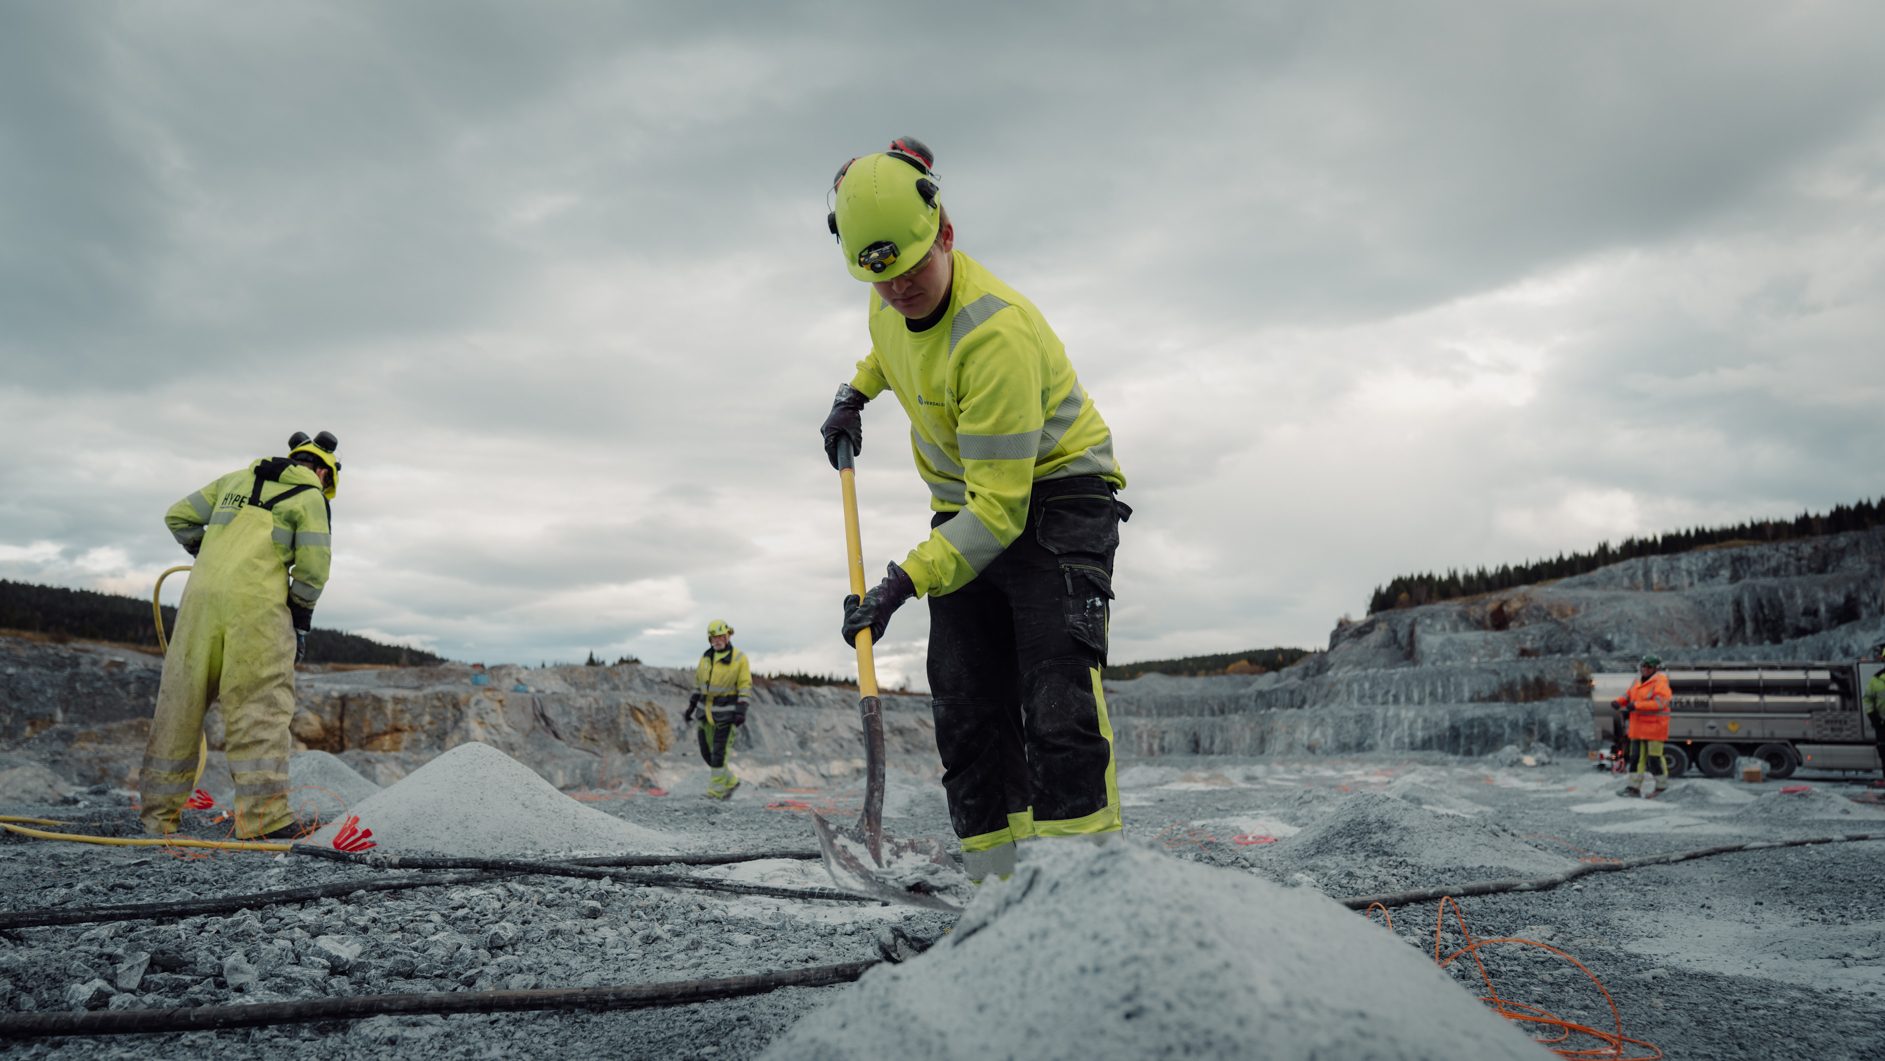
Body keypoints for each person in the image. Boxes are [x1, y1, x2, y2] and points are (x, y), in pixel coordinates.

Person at [819, 137, 1130, 881]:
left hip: (1055, 495)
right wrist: (854, 393)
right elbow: (887, 342)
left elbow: (1000, 513)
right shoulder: (886, 278)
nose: (898, 290)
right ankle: (997, 885)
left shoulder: (994, 336)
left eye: (911, 271)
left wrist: (898, 584)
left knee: (1054, 694)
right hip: (969, 503)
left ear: (946, 234)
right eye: (882, 277)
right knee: (964, 698)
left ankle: (1079, 885)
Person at [139, 431, 340, 839]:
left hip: (198, 605)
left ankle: (157, 820)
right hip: (257, 611)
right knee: (259, 709)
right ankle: (263, 821)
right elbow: (313, 568)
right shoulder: (310, 498)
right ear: (322, 470)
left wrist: (209, 552)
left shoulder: (233, 481)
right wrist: (300, 616)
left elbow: (177, 516)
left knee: (179, 706)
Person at [685, 620, 752, 800]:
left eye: (721, 637)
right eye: (714, 638)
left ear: (728, 636)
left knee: (718, 754)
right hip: (704, 713)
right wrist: (691, 706)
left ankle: (714, 793)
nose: (718, 640)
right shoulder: (706, 658)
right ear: (710, 640)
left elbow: (745, 686)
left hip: (726, 713)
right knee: (707, 754)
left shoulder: (739, 658)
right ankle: (731, 782)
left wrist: (741, 710)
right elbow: (698, 684)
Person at [1612, 653, 1672, 798]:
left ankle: (1662, 788)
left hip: (1654, 728)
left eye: (1648, 667)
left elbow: (1660, 703)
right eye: (1643, 666)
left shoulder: (1660, 682)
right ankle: (1633, 788)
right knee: (1635, 758)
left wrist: (1637, 705)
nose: (1644, 669)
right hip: (1638, 728)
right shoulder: (1637, 680)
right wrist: (1619, 701)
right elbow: (1628, 695)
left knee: (1654, 759)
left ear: (1655, 668)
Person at [1864, 642, 1885, 786]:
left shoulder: (1876, 679)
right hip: (1883, 725)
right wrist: (1873, 717)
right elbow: (1868, 700)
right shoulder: (1876, 680)